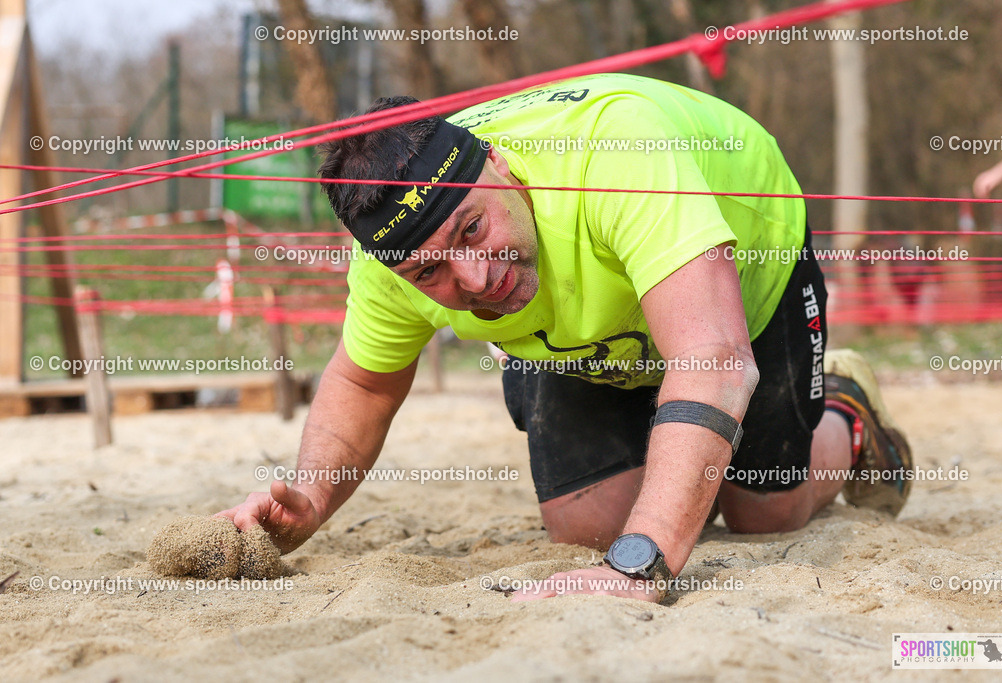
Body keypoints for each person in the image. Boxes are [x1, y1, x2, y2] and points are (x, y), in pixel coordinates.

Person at [216, 73, 913, 604]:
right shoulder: (389, 262)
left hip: (746, 283)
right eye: (430, 269)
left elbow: (714, 362)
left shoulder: (618, 153)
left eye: (473, 230)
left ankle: (847, 416)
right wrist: (308, 498)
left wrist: (642, 565)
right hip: (585, 334)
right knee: (591, 531)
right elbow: (363, 381)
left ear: (501, 165)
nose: (478, 277)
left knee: (767, 513)